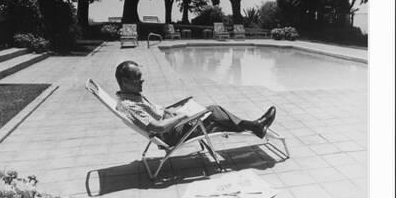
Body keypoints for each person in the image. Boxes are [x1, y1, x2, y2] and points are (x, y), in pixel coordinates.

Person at [114, 60, 276, 146]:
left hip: (172, 125)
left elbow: (155, 117)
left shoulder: (131, 96)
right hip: (171, 134)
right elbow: (158, 127)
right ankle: (255, 126)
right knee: (213, 111)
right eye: (137, 77)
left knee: (215, 118)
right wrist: (183, 116)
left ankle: (253, 126)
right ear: (124, 81)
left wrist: (172, 111)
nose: (142, 80)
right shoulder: (130, 104)